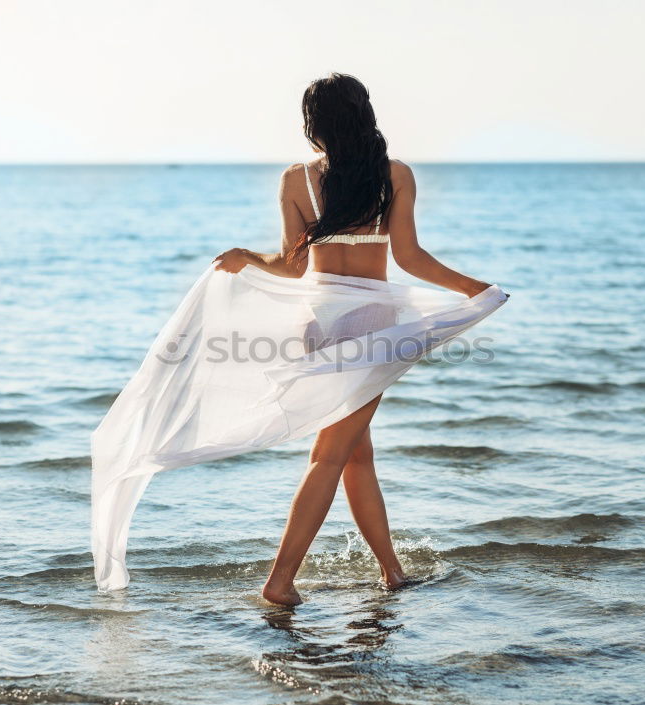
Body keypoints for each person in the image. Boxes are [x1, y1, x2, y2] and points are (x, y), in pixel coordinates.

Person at [212, 73, 494, 607]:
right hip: (372, 325)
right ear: (364, 113)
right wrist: (471, 288)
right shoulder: (393, 175)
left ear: (314, 122)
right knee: (331, 453)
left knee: (355, 455)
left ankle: (391, 572)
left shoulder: (296, 179)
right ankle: (280, 582)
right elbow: (408, 257)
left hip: (317, 327)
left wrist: (247, 257)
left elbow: (292, 268)